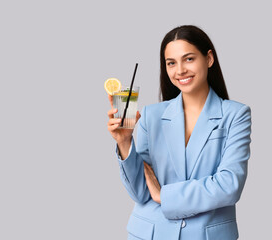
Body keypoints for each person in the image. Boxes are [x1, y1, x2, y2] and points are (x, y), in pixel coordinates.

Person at [107, 25, 252, 240]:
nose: (180, 70)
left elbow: (229, 185)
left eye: (189, 59)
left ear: (209, 59)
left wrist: (163, 195)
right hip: (150, 233)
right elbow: (140, 193)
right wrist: (125, 143)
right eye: (171, 63)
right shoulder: (150, 115)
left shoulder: (236, 114)